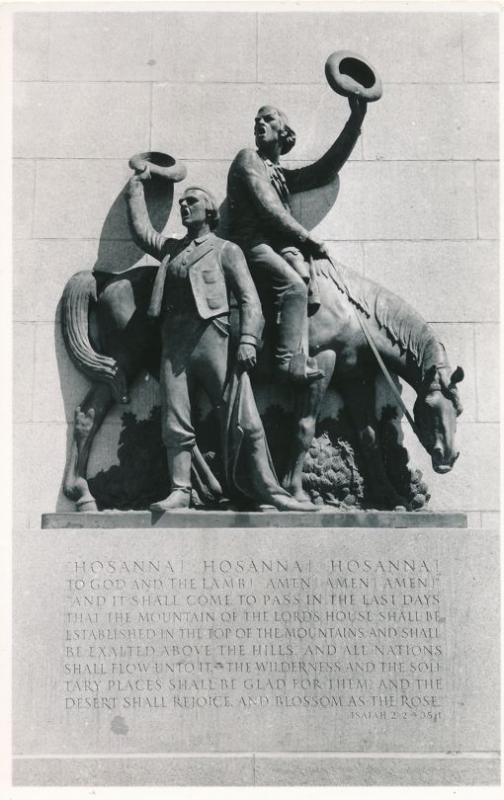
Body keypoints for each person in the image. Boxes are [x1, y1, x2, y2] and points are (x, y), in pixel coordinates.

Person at [126, 170, 315, 512]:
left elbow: (249, 299)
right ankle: (180, 490)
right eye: (181, 203)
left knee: (244, 416)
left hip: (215, 339)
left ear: (209, 210)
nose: (183, 206)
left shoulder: (226, 250)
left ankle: (269, 490)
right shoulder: (172, 249)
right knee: (176, 417)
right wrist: (136, 185)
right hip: (175, 345)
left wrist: (247, 340)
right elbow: (141, 232)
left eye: (191, 201)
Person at [227, 97, 367, 384]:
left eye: (268, 119)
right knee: (292, 286)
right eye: (257, 120)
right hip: (250, 245)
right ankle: (288, 361)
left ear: (283, 133)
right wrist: (307, 239)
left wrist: (355, 121)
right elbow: (270, 209)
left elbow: (324, 169)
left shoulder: (280, 174)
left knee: (302, 271)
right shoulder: (248, 159)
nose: (259, 124)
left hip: (274, 247)